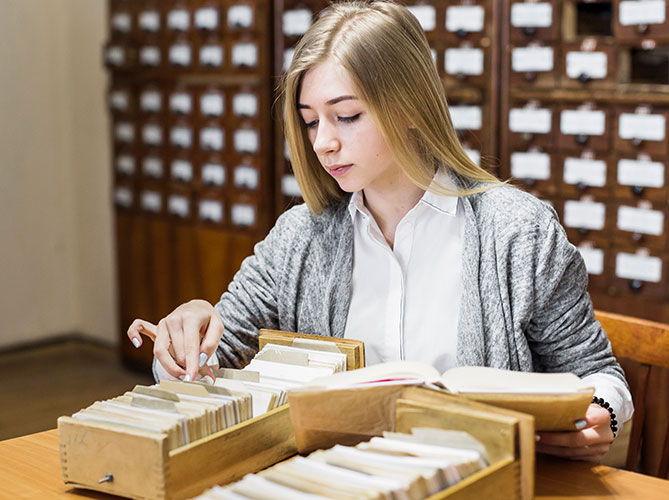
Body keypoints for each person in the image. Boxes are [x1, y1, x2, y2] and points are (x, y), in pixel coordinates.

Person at [127, 0, 632, 462]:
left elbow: (599, 375)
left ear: (408, 107)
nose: (323, 143)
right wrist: (184, 343)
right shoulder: (299, 239)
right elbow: (210, 364)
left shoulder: (518, 234)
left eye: (345, 117)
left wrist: (602, 412)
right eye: (309, 121)